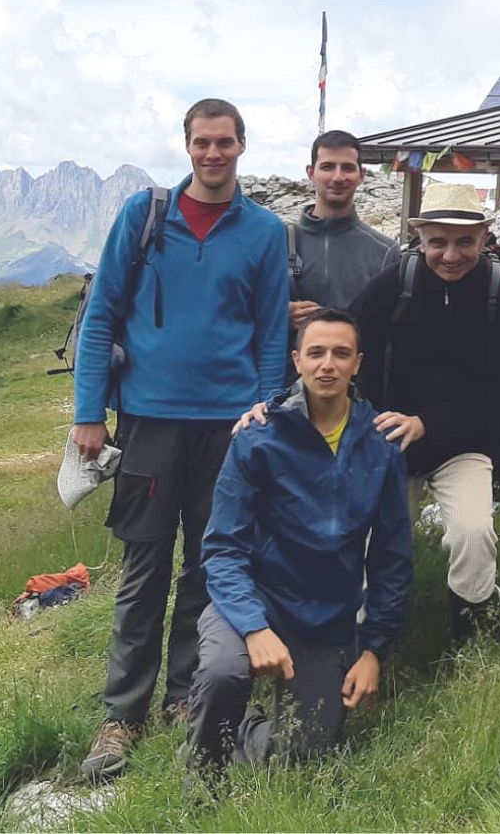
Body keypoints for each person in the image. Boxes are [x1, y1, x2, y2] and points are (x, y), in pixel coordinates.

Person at [72, 98, 290, 780]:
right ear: (187, 145)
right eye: (202, 142)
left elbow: (272, 332)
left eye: (225, 142)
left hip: (230, 426)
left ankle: (182, 698)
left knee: (209, 562)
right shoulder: (144, 216)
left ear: (242, 145)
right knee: (144, 565)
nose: (213, 153)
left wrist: (265, 414)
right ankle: (122, 713)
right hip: (149, 420)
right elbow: (101, 315)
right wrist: (88, 412)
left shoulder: (264, 231)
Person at [187, 309, 413, 784]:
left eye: (341, 354)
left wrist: (373, 650)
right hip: (256, 598)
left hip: (325, 618)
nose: (327, 364)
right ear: (297, 361)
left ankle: (244, 729)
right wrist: (253, 627)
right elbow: (222, 548)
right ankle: (202, 785)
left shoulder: (382, 445)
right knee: (224, 673)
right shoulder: (257, 437)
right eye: (316, 353)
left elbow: (391, 559)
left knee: (305, 750)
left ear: (358, 363)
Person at [347, 183, 500, 644]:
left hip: (464, 443)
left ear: (485, 237)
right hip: (391, 440)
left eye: (464, 241)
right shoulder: (392, 287)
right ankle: (362, 640)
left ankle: (471, 630)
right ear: (420, 239)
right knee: (369, 539)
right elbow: (348, 348)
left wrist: (428, 423)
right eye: (438, 242)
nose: (450, 255)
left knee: (473, 533)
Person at [285, 129, 401, 339]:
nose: (338, 177)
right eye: (327, 167)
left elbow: (391, 329)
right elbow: (242, 309)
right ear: (311, 172)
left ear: (361, 175)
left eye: (347, 168)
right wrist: (279, 315)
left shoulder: (385, 252)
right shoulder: (277, 242)